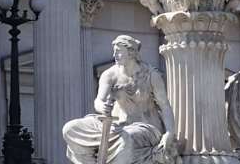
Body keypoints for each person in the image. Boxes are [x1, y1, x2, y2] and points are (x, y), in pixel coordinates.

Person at [63, 35, 180, 164]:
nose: (114, 55)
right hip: (117, 126)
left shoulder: (151, 75)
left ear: (131, 52)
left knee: (126, 139)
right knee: (70, 129)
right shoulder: (110, 75)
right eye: (114, 51)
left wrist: (169, 132)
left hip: (146, 128)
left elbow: (165, 106)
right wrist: (102, 107)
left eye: (118, 51)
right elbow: (99, 100)